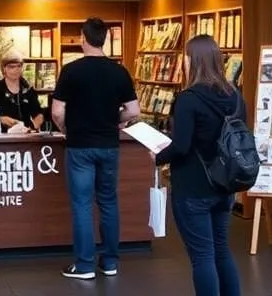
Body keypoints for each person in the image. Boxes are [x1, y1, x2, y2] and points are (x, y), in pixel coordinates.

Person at [153, 34, 246, 296]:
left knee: (202, 256)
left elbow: (181, 145)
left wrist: (157, 157)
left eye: (184, 56)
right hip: (225, 184)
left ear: (193, 61)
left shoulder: (188, 99)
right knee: (221, 249)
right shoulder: (235, 96)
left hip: (193, 187)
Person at [51, 17, 140, 280]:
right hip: (109, 145)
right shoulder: (119, 71)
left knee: (82, 205)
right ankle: (110, 261)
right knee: (109, 202)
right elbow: (133, 110)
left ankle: (85, 264)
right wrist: (114, 119)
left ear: (82, 37)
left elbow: (57, 111)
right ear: (105, 39)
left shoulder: (71, 70)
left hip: (80, 146)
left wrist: (68, 128)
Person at [0, 48, 45, 132]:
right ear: (4, 68)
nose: (16, 70)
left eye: (19, 66)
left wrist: (35, 125)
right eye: (12, 67)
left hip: (26, 135)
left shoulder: (27, 89)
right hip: (2, 136)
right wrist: (1, 119)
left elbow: (38, 113)